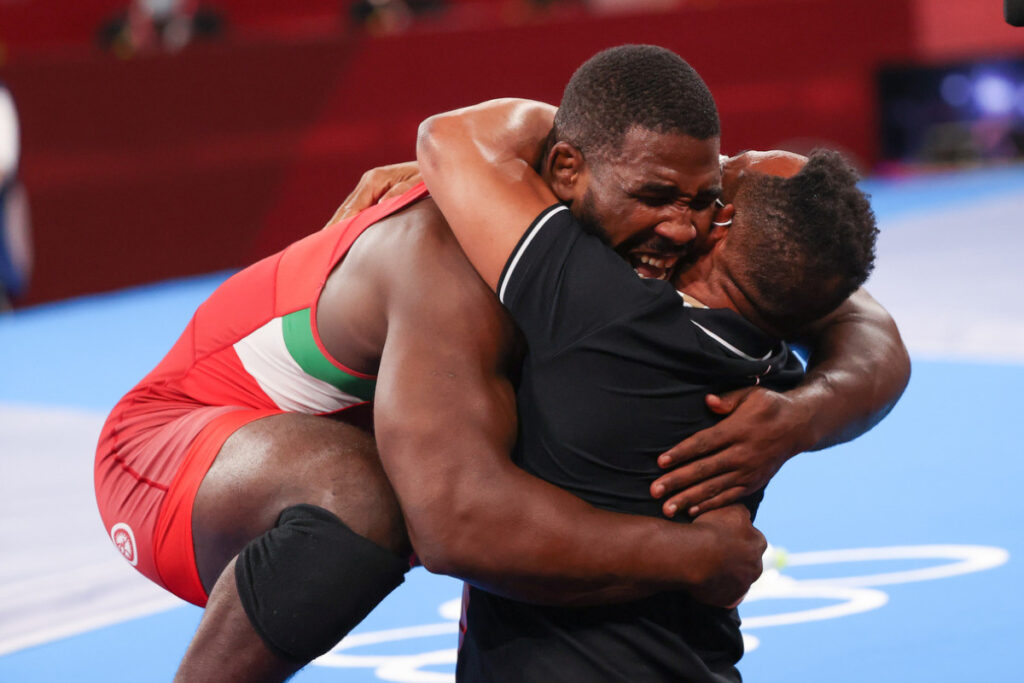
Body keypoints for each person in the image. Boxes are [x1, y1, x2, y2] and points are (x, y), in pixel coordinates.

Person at [94, 45, 907, 682]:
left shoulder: (617, 214)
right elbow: (458, 525)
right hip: (172, 450)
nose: (685, 228)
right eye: (656, 197)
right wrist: (702, 556)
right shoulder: (452, 256)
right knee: (389, 497)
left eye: (702, 202)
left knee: (515, 464)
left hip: (347, 433)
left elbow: (835, 294)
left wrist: (797, 415)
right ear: (563, 172)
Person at [414, 48, 896, 680]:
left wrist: (595, 136)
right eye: (661, 191)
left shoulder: (599, 305)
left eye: (714, 188)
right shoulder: (774, 367)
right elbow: (860, 315)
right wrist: (803, 415)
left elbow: (450, 137)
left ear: (721, 223)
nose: (678, 224)